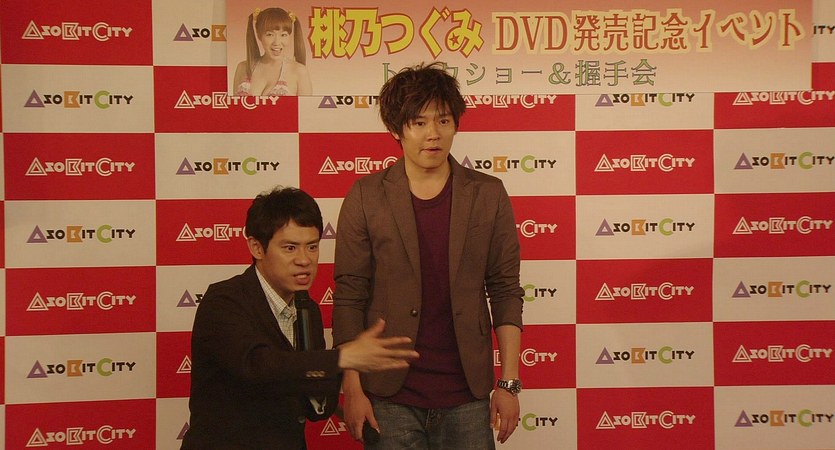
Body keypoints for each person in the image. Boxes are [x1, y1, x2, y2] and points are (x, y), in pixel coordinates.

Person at [332, 62, 524, 449]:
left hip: (467, 394)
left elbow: (505, 290)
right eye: (419, 123)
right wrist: (352, 387)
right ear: (396, 129)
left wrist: (508, 383)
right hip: (388, 393)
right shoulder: (366, 196)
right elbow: (350, 295)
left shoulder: (488, 194)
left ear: (456, 125)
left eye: (443, 120)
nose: (433, 134)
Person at [181, 186, 419, 450]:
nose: (304, 260)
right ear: (257, 247)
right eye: (290, 248)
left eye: (312, 247)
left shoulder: (308, 310)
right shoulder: (224, 300)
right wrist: (342, 358)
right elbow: (258, 366)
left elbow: (314, 407)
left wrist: (346, 396)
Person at [232, 7, 312, 96]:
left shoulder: (299, 72)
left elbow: (307, 105)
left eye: (283, 35)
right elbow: (234, 105)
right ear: (259, 35)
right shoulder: (243, 68)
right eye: (269, 34)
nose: (277, 42)